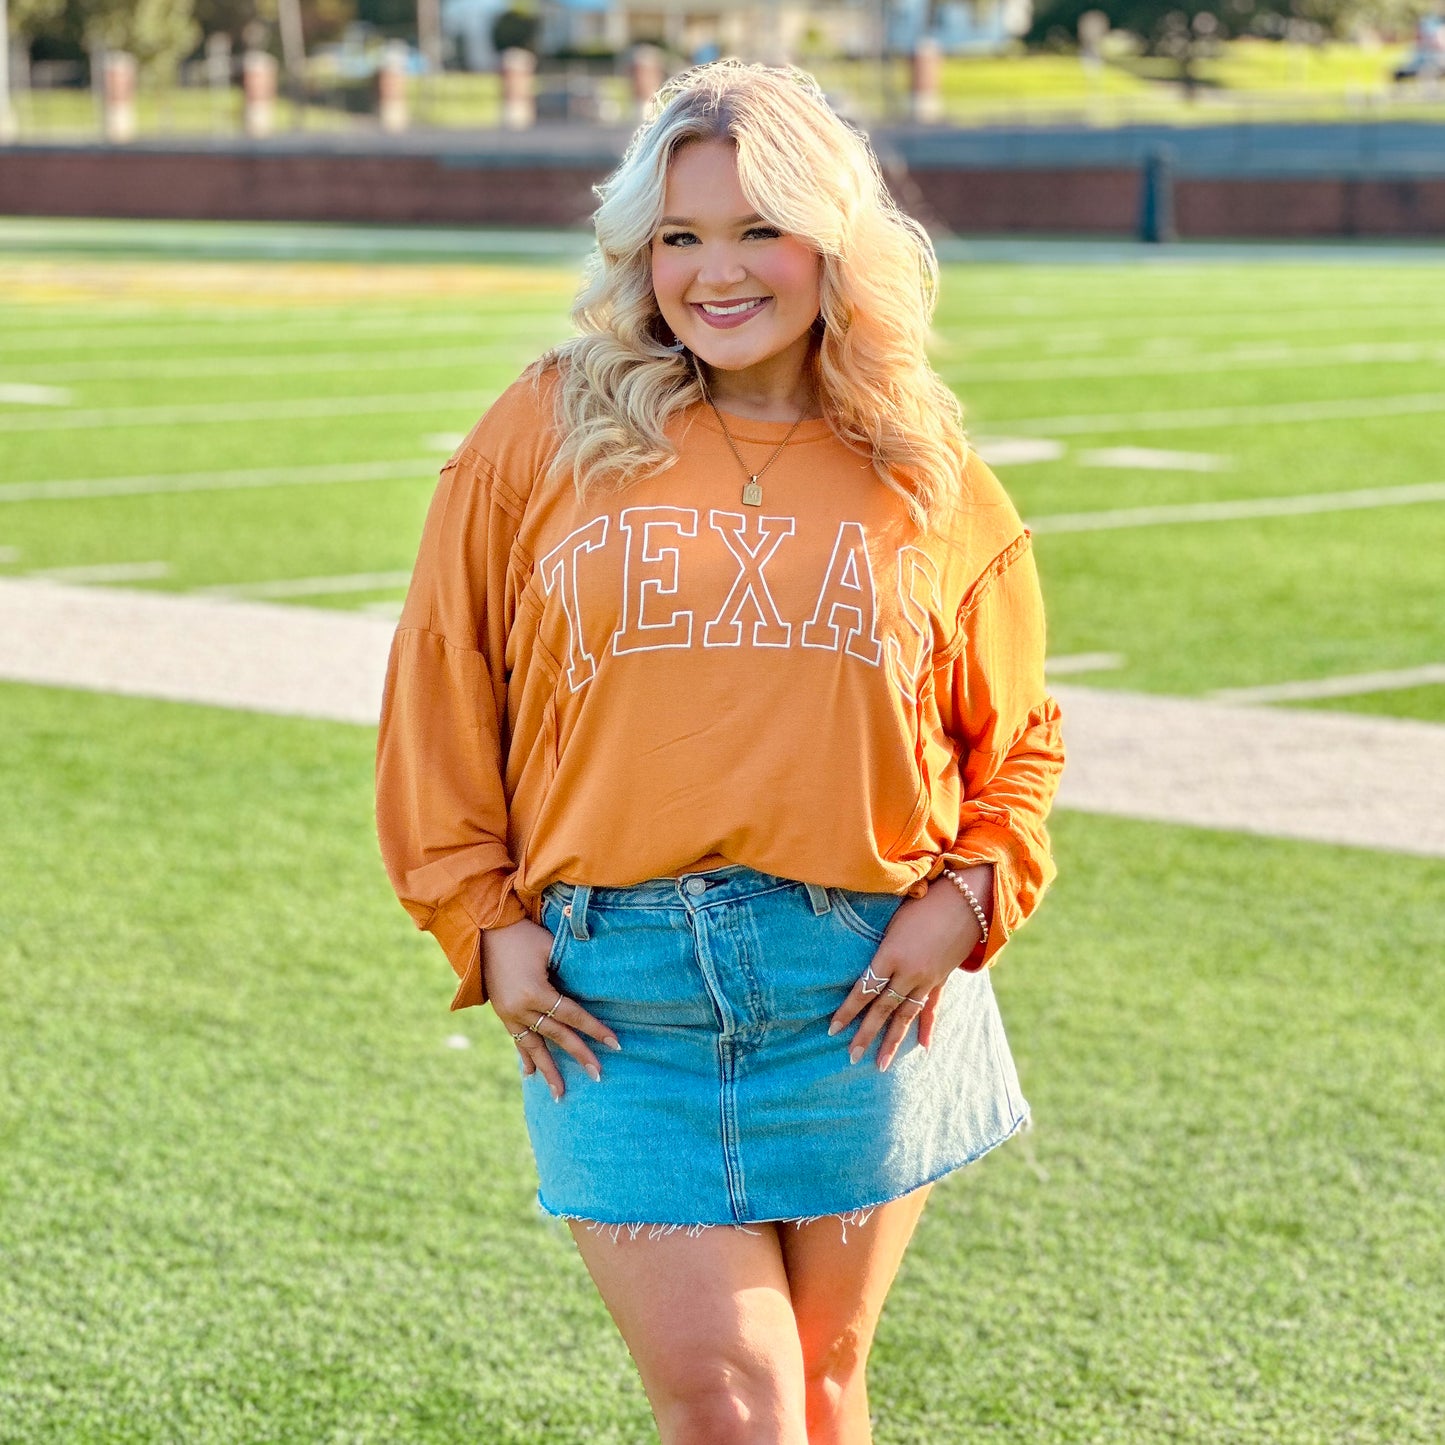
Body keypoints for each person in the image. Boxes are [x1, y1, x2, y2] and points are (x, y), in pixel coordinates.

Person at [376, 60, 1064, 1445]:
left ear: (833, 241)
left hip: (864, 984)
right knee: (728, 1397)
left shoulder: (920, 463)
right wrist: (484, 918)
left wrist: (966, 896)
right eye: (678, 236)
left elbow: (1017, 738)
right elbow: (440, 688)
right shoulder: (547, 427)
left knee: (818, 1385)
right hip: (612, 999)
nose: (715, 271)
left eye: (757, 228)